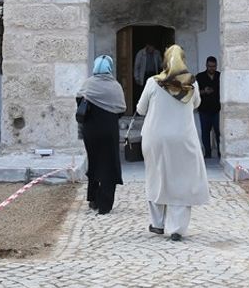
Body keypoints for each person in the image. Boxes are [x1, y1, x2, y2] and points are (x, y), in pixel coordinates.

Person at [136, 44, 209, 241]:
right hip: (183, 139)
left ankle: (158, 223)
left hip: (156, 138)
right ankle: (177, 228)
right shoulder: (191, 84)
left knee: (156, 177)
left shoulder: (153, 82)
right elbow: (197, 104)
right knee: (181, 181)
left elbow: (141, 109)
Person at [76, 55, 126, 215]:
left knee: (94, 162)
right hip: (109, 131)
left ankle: (93, 199)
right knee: (109, 164)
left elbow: (79, 104)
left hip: (90, 131)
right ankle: (104, 204)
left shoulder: (88, 84)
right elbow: (121, 109)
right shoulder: (115, 86)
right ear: (109, 68)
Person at [196, 56, 222, 158]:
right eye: (210, 66)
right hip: (204, 110)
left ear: (216, 66)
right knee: (205, 134)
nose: (211, 68)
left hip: (217, 110)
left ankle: (221, 154)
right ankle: (207, 154)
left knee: (219, 133)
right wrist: (204, 91)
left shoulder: (220, 76)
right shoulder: (200, 77)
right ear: (206, 65)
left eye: (214, 66)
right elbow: (194, 92)